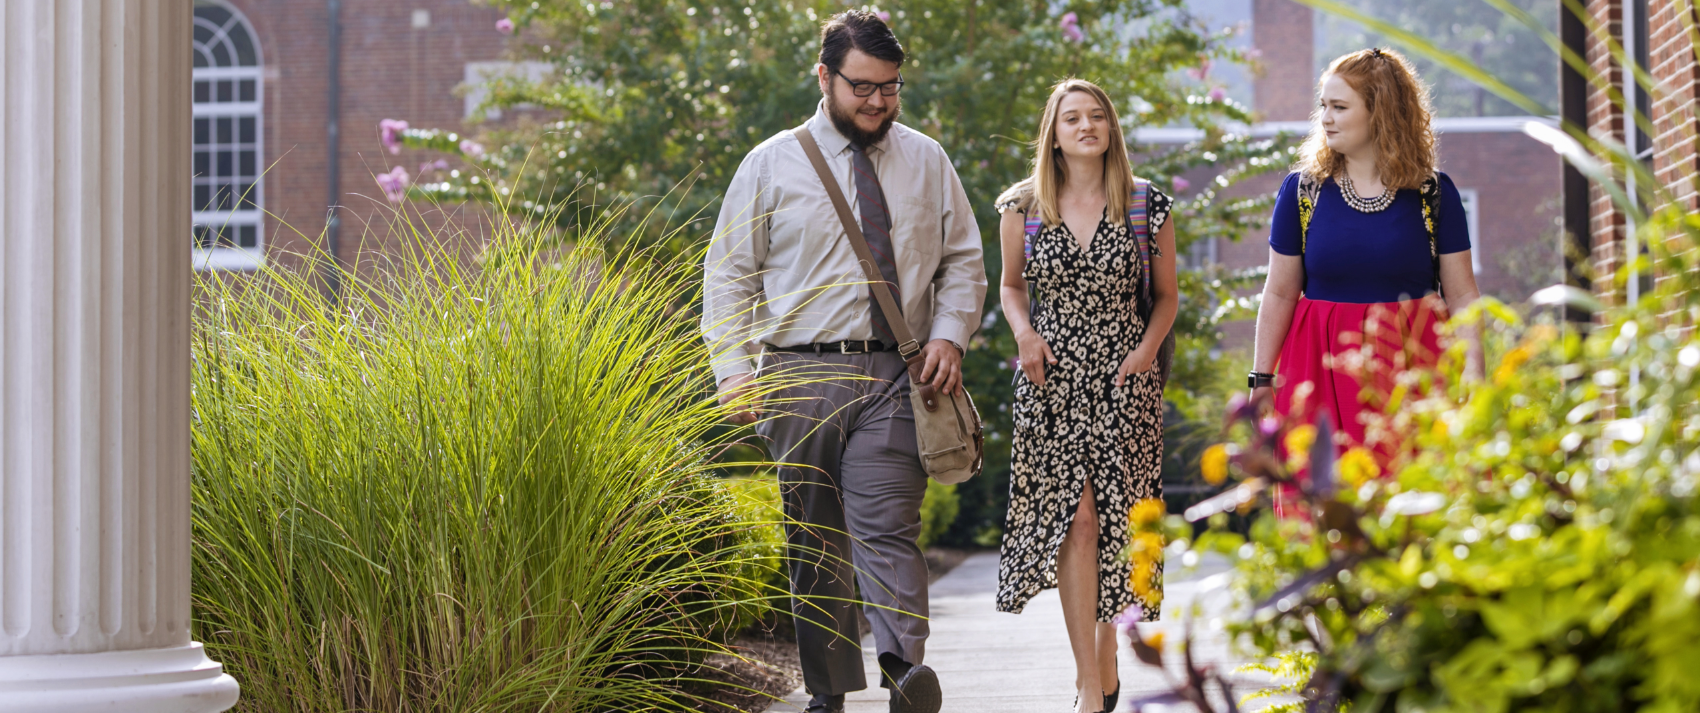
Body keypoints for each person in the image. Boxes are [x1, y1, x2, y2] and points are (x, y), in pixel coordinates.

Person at [700, 10, 987, 713]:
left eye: (890, 88)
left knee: (888, 526)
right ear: (824, 76)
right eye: (863, 87)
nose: (878, 102)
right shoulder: (769, 163)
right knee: (814, 536)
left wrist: (948, 334)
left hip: (896, 373)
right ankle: (829, 690)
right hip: (797, 373)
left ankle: (901, 669)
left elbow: (963, 260)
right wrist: (733, 369)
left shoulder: (927, 159)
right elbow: (730, 272)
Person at [992, 79, 1178, 713]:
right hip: (1053, 382)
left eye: (1097, 115)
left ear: (1111, 128)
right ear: (1054, 130)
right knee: (1078, 521)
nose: (1086, 126)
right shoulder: (1023, 207)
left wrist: (1147, 352)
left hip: (1126, 379)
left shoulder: (1146, 205)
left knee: (1118, 524)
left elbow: (1169, 296)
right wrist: (1024, 335)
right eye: (1072, 117)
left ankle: (1106, 646)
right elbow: (1012, 288)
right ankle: (1086, 680)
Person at [1248, 48, 1481, 494]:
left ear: (1381, 112)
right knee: (1322, 511)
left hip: (1414, 368)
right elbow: (1278, 294)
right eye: (1324, 107)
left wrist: (1474, 374)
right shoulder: (1302, 192)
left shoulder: (1435, 194)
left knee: (1415, 510)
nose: (1326, 119)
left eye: (1340, 107)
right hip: (1316, 370)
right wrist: (1260, 380)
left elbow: (1464, 296)